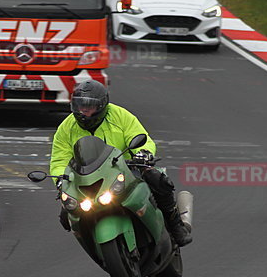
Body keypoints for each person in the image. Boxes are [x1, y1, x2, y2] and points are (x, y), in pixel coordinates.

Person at [49, 80, 192, 247]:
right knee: (66, 216)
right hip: (87, 178)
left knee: (157, 179)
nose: (83, 111)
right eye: (79, 106)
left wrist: (143, 154)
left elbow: (139, 136)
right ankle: (92, 243)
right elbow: (59, 159)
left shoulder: (120, 115)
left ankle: (176, 225)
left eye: (89, 107)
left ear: (102, 105)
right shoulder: (66, 128)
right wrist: (60, 179)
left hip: (125, 169)